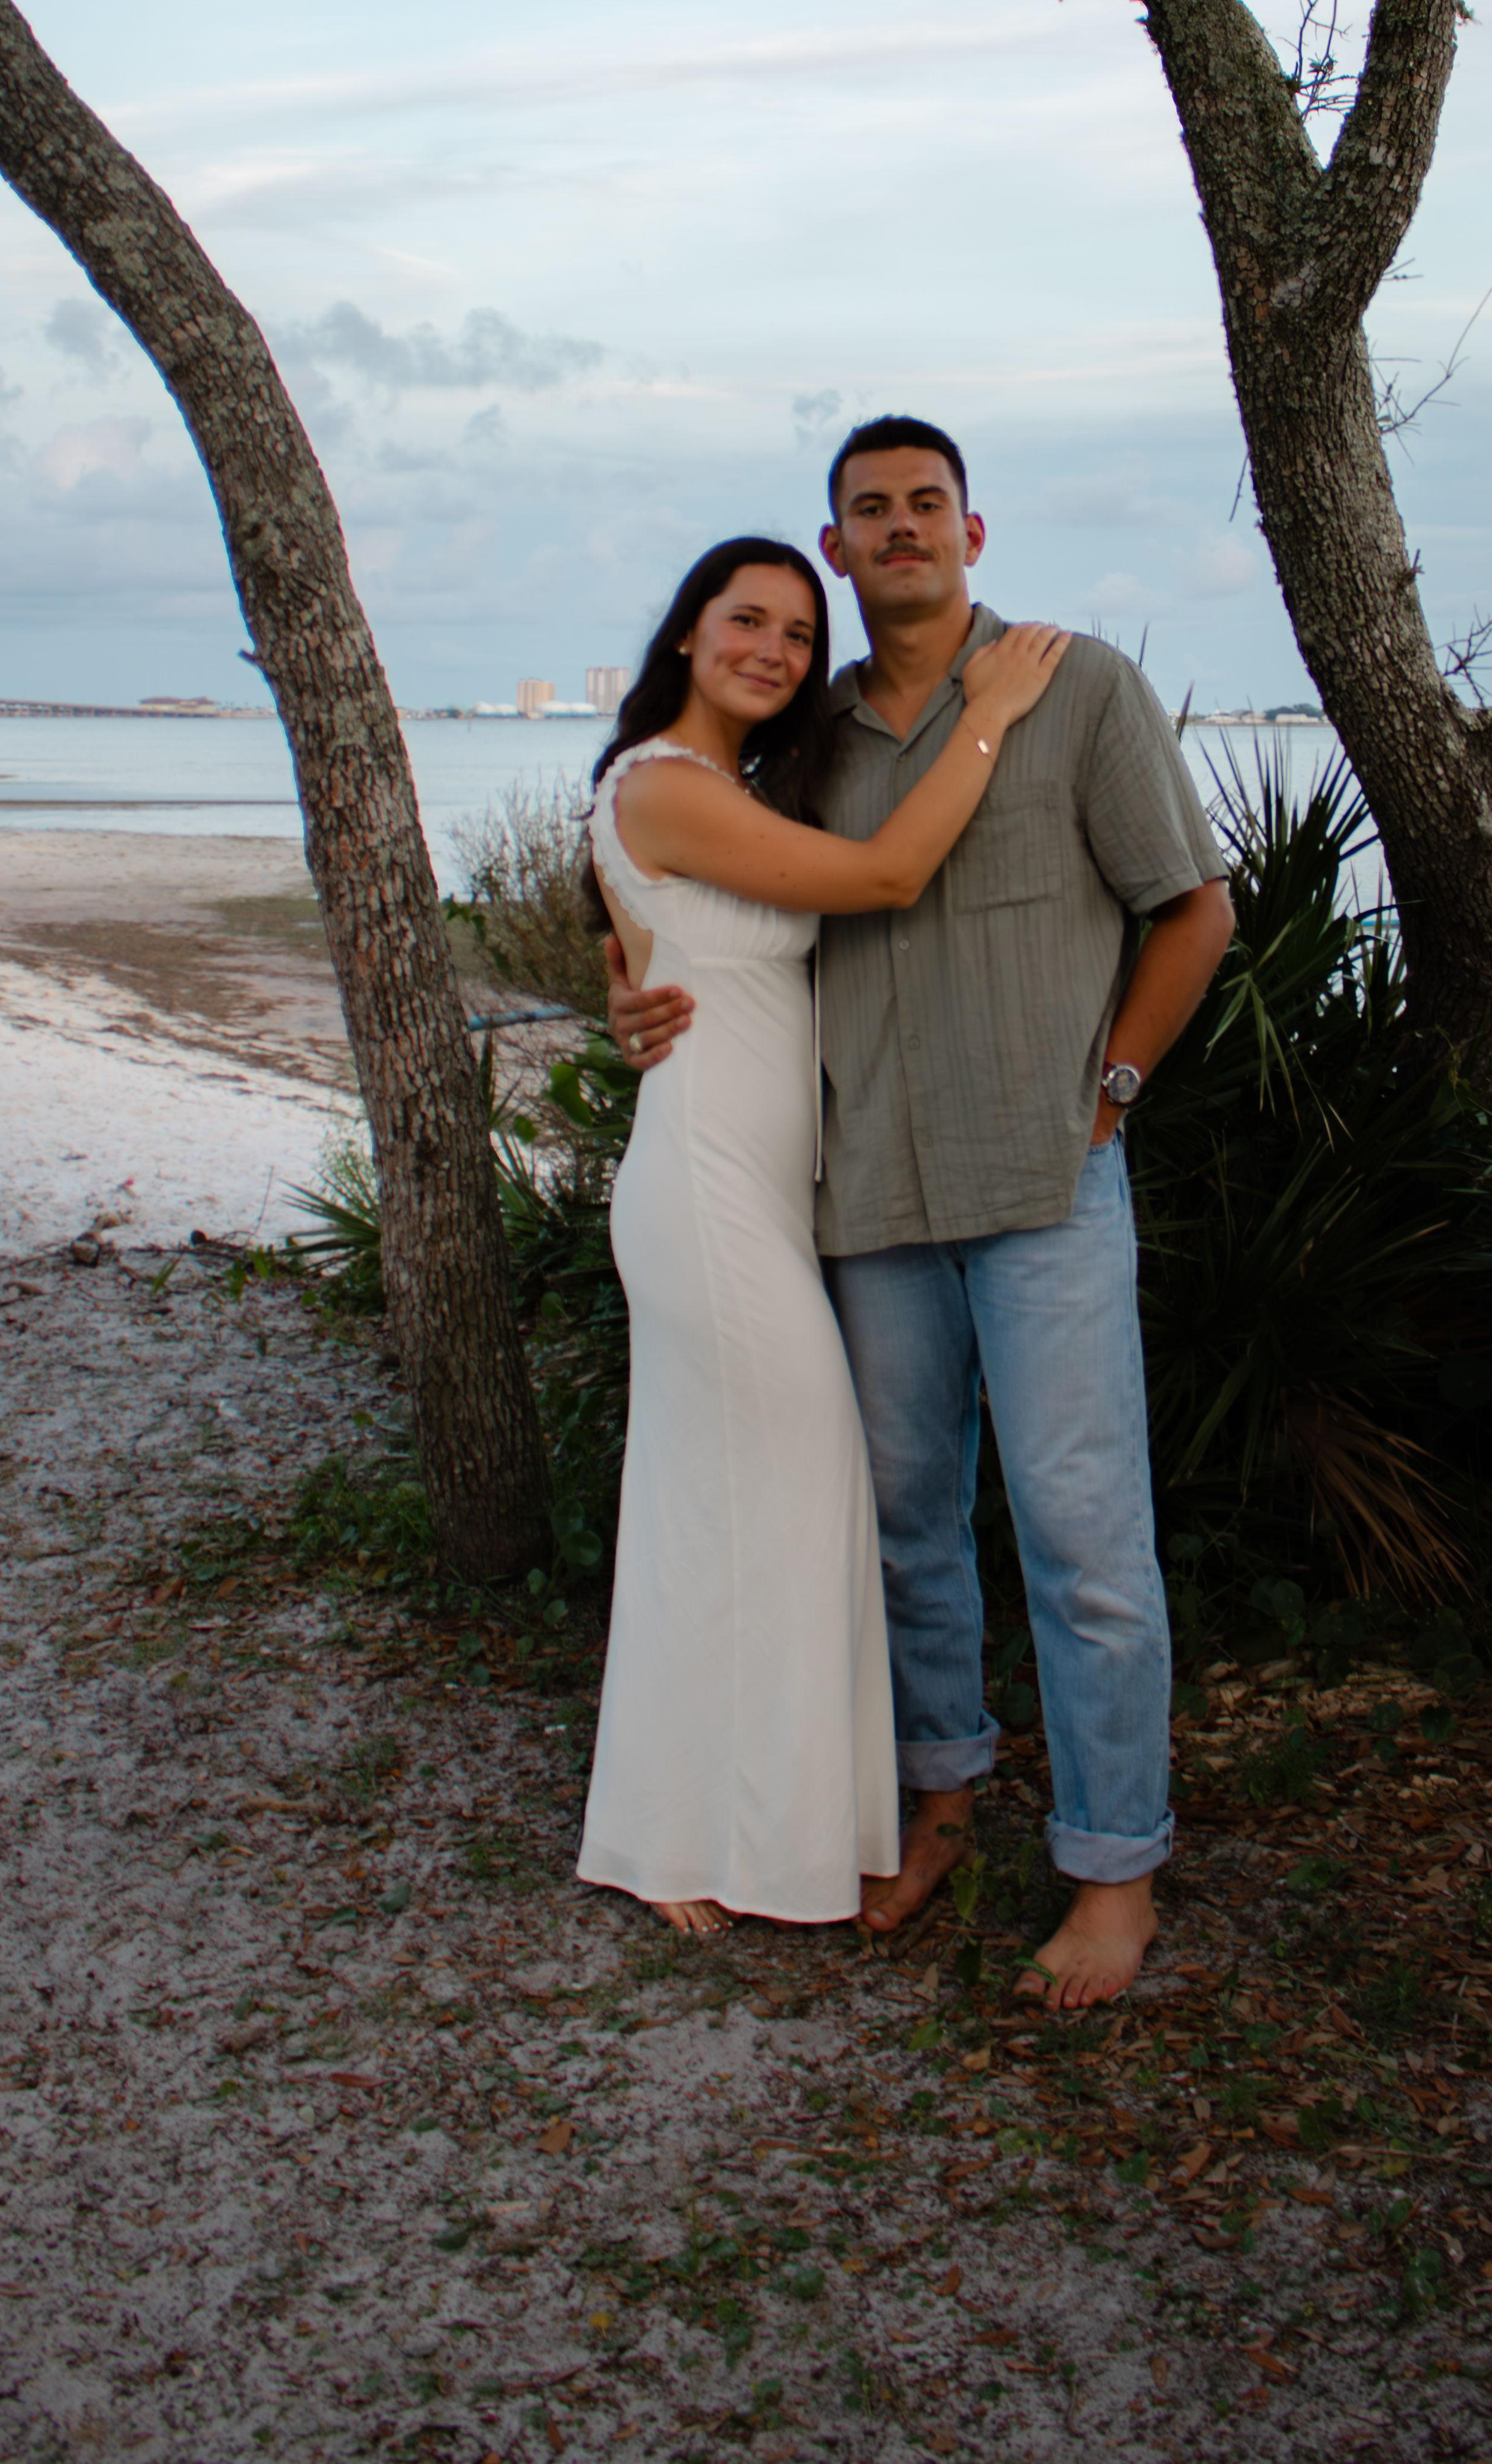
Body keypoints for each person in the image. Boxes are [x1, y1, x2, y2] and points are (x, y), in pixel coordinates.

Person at [608, 424, 1236, 2008]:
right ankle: (939, 1804)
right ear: (838, 545)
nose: (902, 528)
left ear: (972, 528)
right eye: (871, 511)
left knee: (1084, 1539)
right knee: (904, 1528)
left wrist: (1117, 1086)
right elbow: (696, 887)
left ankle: (1113, 1871)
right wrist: (625, 990)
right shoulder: (805, 741)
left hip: (1043, 1186)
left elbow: (1195, 908)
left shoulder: (1074, 687)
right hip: (868, 1197)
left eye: (927, 505)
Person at [575, 533, 1071, 1938]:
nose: (775, 651)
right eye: (748, 621)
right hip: (705, 1195)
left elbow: (649, 967)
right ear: (689, 631)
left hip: (757, 1195)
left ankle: (750, 1823)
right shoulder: (666, 786)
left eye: (799, 634)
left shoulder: (719, 791)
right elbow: (890, 879)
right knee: (784, 1489)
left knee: (743, 1502)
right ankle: (678, 1838)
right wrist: (988, 714)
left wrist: (621, 1006)